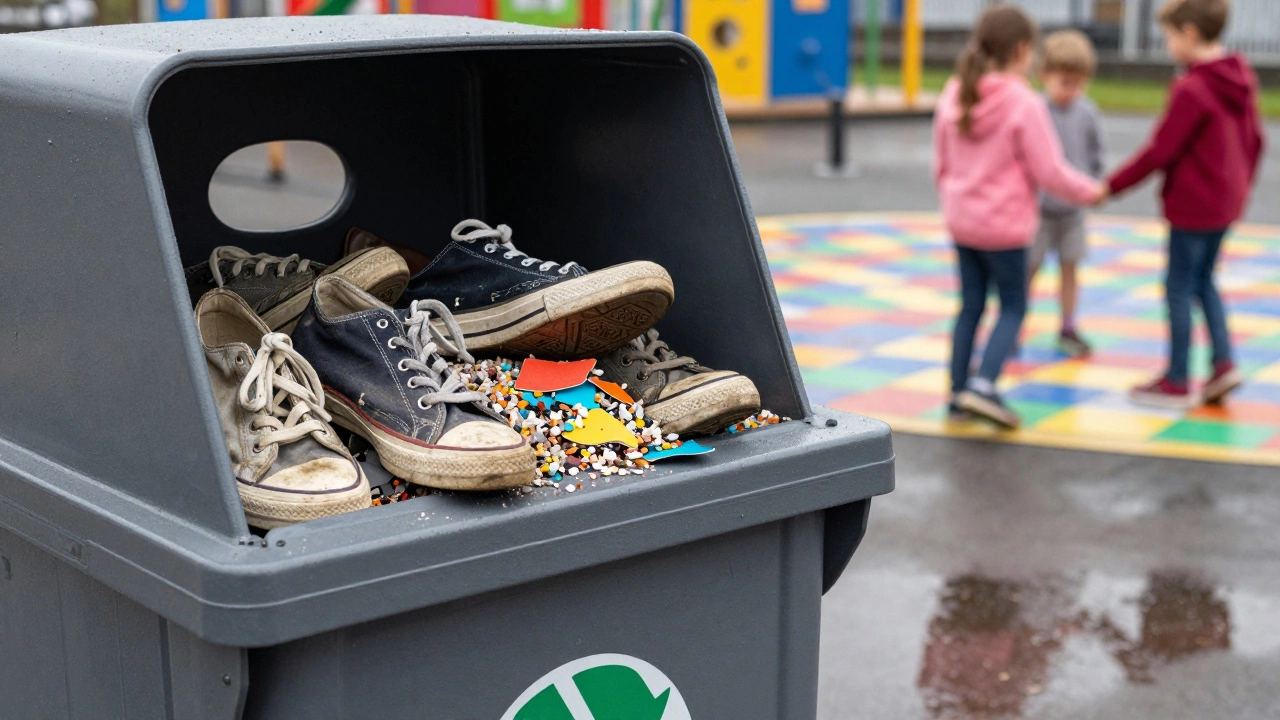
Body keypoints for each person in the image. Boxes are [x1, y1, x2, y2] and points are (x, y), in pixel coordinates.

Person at [933, 5, 1105, 428]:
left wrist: (956, 201)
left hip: (963, 222)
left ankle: (957, 394)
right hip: (1005, 228)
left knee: (970, 306)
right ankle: (985, 385)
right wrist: (1092, 191)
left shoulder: (954, 91)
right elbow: (1049, 171)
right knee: (1012, 306)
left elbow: (942, 163)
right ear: (1022, 50)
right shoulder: (1023, 101)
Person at [1106, 0, 1265, 409]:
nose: (1168, 44)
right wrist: (1240, 187)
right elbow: (1257, 141)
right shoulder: (1240, 77)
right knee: (1205, 281)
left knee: (1178, 287)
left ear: (1190, 32)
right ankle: (1223, 362)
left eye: (1170, 36)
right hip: (1225, 204)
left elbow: (1161, 151)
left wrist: (1111, 187)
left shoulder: (1191, 88)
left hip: (1194, 207)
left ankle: (1177, 379)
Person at [1030, 30, 1104, 359]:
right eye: (1064, 82)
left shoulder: (1087, 112)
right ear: (1045, 75)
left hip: (1072, 212)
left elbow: (1095, 154)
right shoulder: (1034, 109)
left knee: (1070, 268)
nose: (1070, 91)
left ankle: (1068, 325)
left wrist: (1093, 183)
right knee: (1027, 269)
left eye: (1077, 83)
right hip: (1039, 211)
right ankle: (1014, 322)